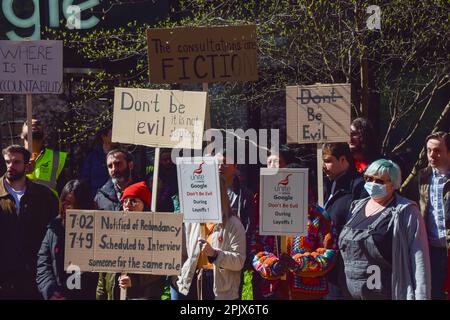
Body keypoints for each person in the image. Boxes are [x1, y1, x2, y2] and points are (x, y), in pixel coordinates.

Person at [340, 159, 431, 299]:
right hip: (350, 294)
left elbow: (419, 260)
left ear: (393, 184)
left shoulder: (406, 212)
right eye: (368, 178)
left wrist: (422, 296)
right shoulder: (355, 207)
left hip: (386, 292)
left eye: (380, 181)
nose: (372, 184)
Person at [252, 162, 337, 300]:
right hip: (274, 291)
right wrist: (273, 265)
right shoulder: (270, 213)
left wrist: (299, 263)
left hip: (307, 293)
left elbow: (329, 252)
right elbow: (256, 248)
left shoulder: (318, 216)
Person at [0, 145, 58, 299]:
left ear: (27, 165)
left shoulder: (45, 197)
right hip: (4, 278)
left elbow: (53, 237)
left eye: (16, 162)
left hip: (35, 276)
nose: (11, 166)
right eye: (8, 162)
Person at [176, 176, 246, 300]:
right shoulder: (192, 221)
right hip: (192, 283)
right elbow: (183, 252)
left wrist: (215, 254)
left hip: (220, 290)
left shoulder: (234, 224)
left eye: (208, 192)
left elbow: (239, 261)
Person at [96, 181, 165, 300]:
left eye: (133, 201)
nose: (127, 205)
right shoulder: (113, 234)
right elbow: (102, 277)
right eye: (125, 201)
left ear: (145, 206)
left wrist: (135, 281)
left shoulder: (155, 236)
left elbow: (160, 269)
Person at [403, 131, 449, 300]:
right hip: (432, 249)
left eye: (437, 150)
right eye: (429, 150)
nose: (431, 155)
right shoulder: (422, 177)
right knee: (434, 292)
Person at [36, 180, 98, 300]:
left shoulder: (96, 229)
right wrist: (50, 291)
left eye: (73, 204)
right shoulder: (54, 228)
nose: (67, 208)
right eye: (65, 203)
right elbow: (43, 263)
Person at [322, 142, 368, 299]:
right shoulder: (329, 183)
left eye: (328, 161)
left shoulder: (359, 187)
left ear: (343, 160)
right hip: (329, 263)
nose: (324, 166)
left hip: (347, 265)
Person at [21, 118, 68, 197]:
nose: (34, 123)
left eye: (38, 123)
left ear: (44, 134)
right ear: (21, 135)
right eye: (27, 123)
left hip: (48, 206)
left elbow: (65, 188)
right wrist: (22, 172)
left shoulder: (58, 158)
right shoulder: (11, 159)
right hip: (21, 207)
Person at [80, 126, 115, 197]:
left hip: (114, 197)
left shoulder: (120, 156)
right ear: (103, 137)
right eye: (111, 134)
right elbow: (85, 178)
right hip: (95, 196)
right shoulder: (93, 156)